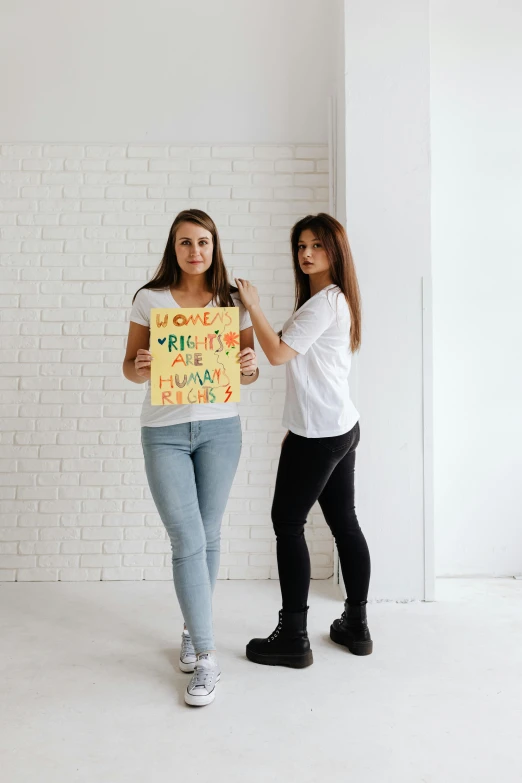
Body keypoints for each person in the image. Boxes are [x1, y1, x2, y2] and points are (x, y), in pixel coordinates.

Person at [123, 209, 258, 705]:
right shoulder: (150, 299)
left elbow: (248, 374)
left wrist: (247, 366)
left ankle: (190, 625)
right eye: (185, 242)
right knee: (187, 539)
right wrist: (140, 366)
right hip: (164, 432)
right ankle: (206, 655)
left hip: (220, 429)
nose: (194, 251)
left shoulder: (231, 302)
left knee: (210, 533)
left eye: (203, 242)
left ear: (214, 246)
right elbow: (131, 368)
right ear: (173, 248)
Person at [235, 213, 372, 669]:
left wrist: (251, 304)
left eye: (317, 245)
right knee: (344, 523)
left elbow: (275, 354)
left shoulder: (324, 304)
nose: (307, 253)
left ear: (335, 251)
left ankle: (293, 637)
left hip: (319, 435)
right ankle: (355, 625)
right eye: (301, 246)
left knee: (287, 524)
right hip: (339, 427)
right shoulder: (333, 300)